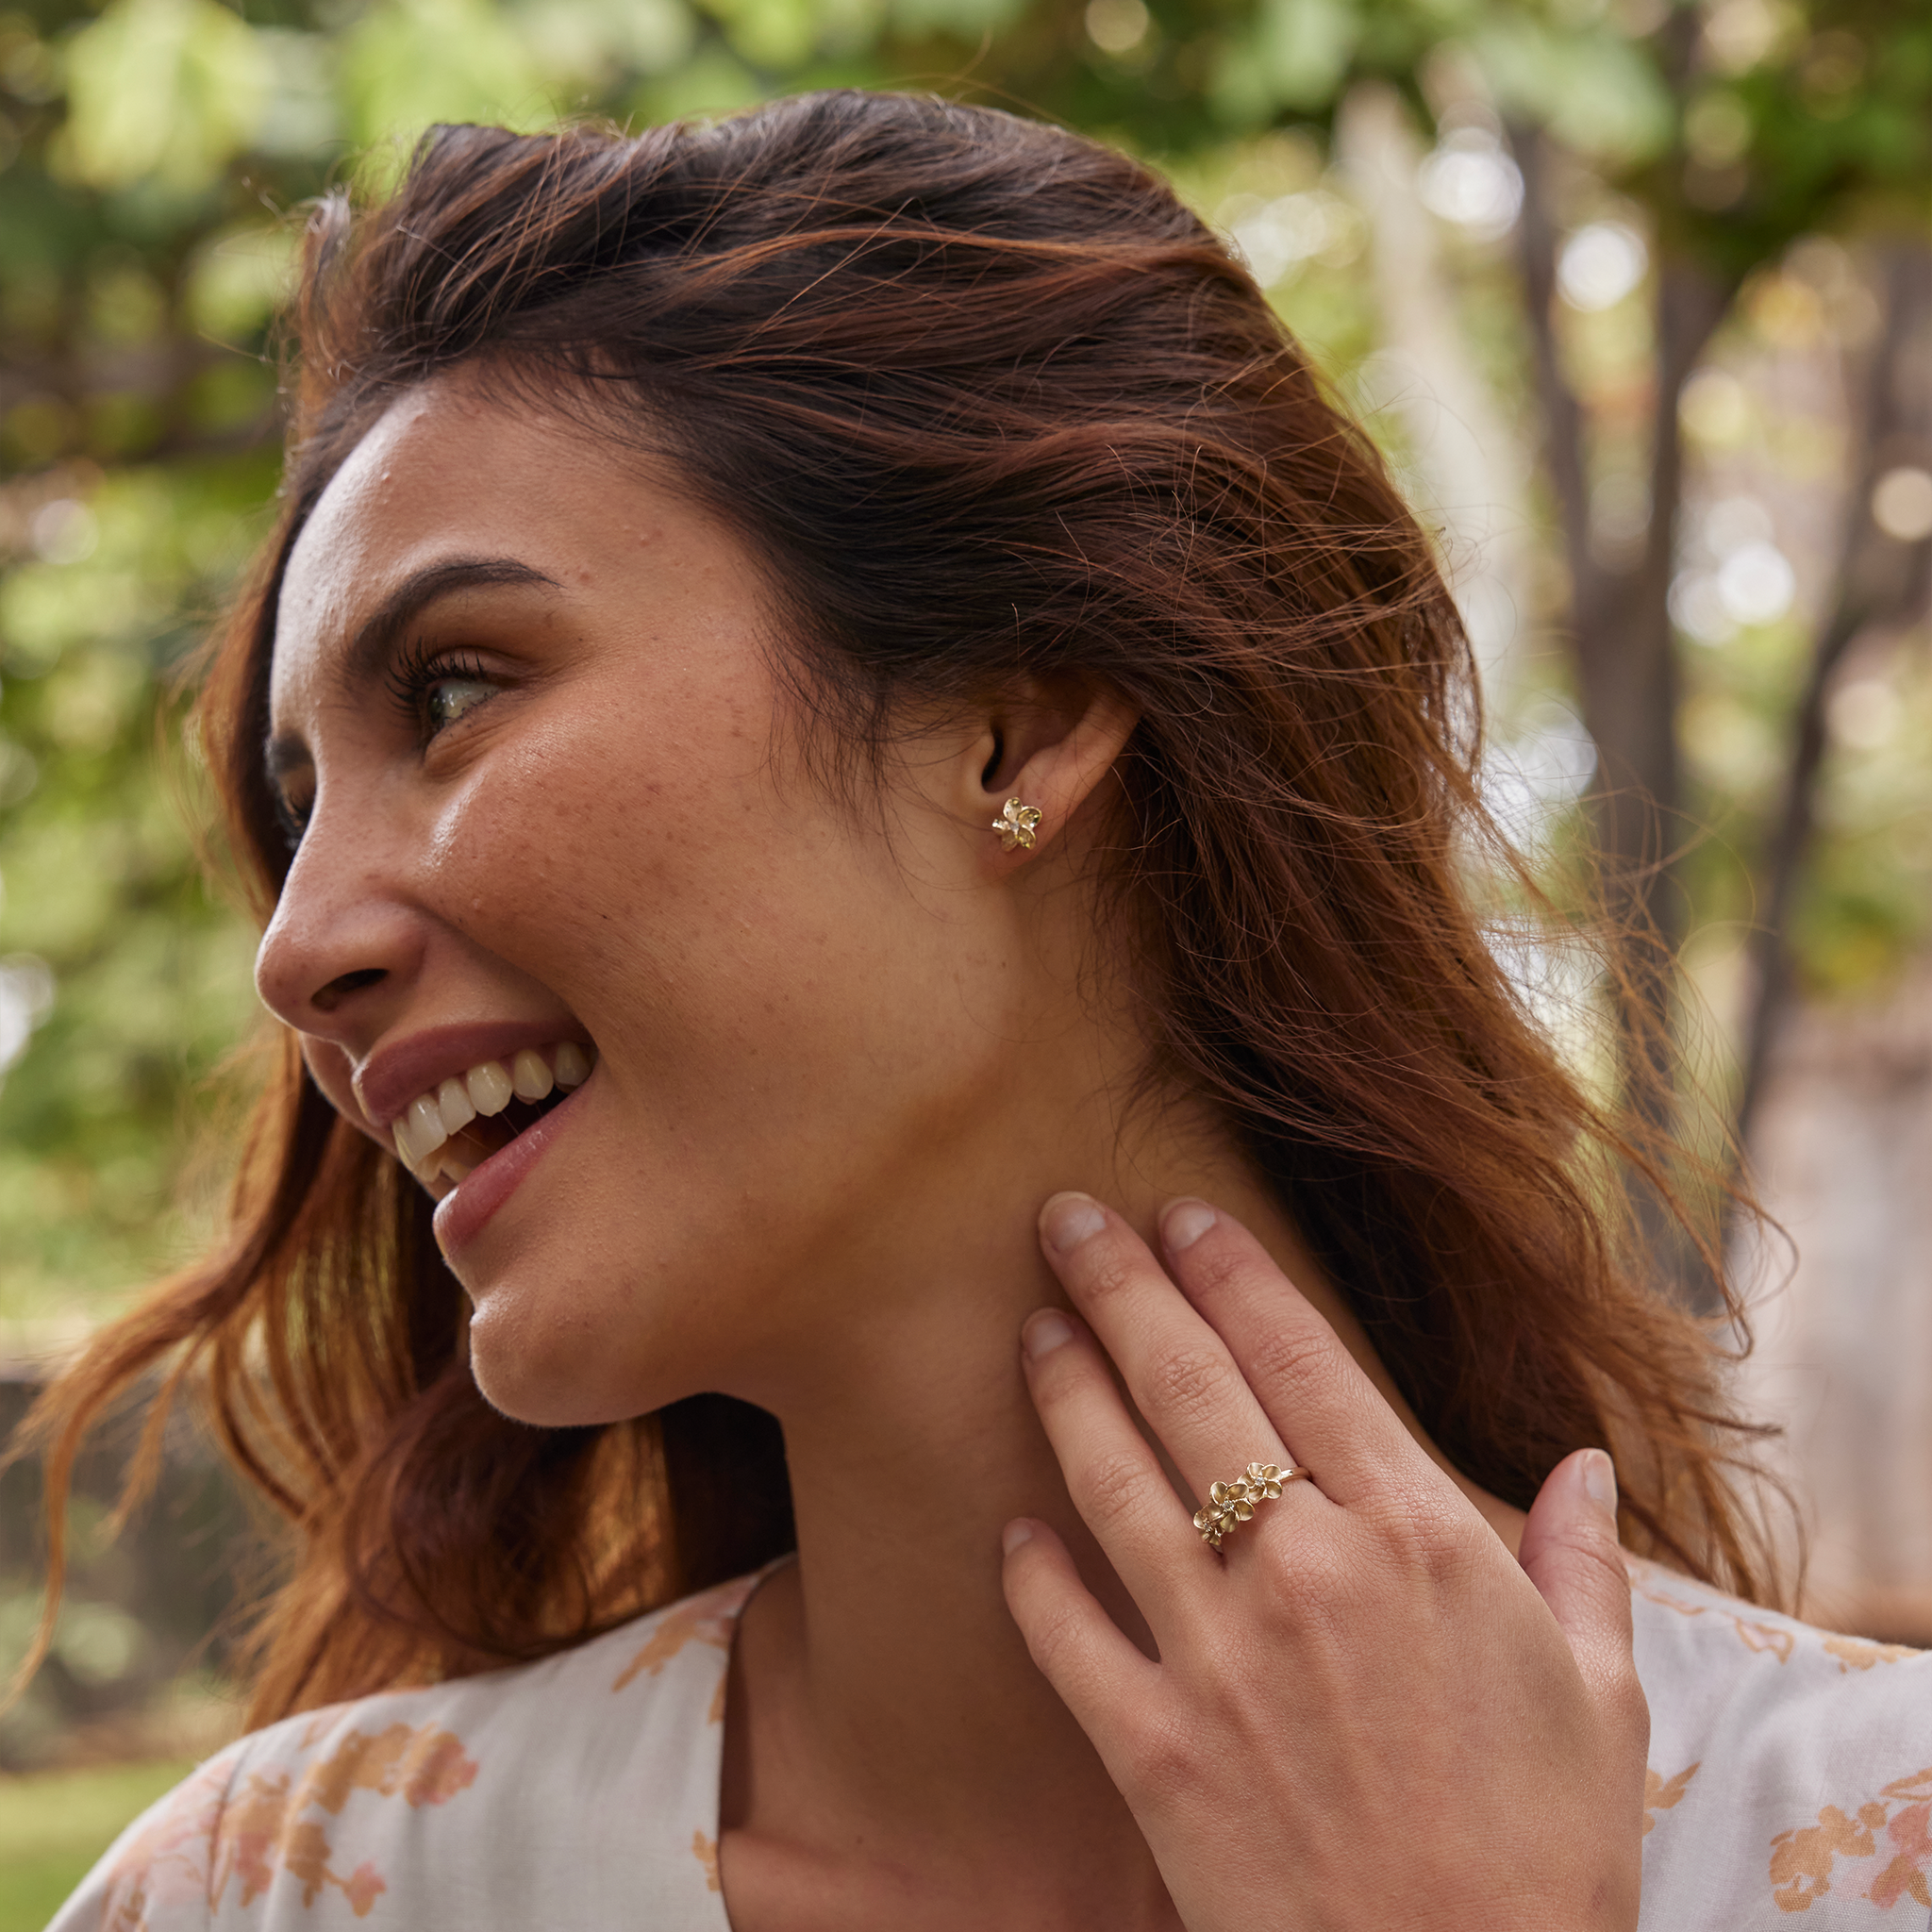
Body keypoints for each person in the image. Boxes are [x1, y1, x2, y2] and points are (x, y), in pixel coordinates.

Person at [26, 89, 1930, 1932]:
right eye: (294, 810)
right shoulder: (284, 1895)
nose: (295, 946)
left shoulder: (1864, 1847)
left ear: (1012, 727)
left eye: (450, 691)